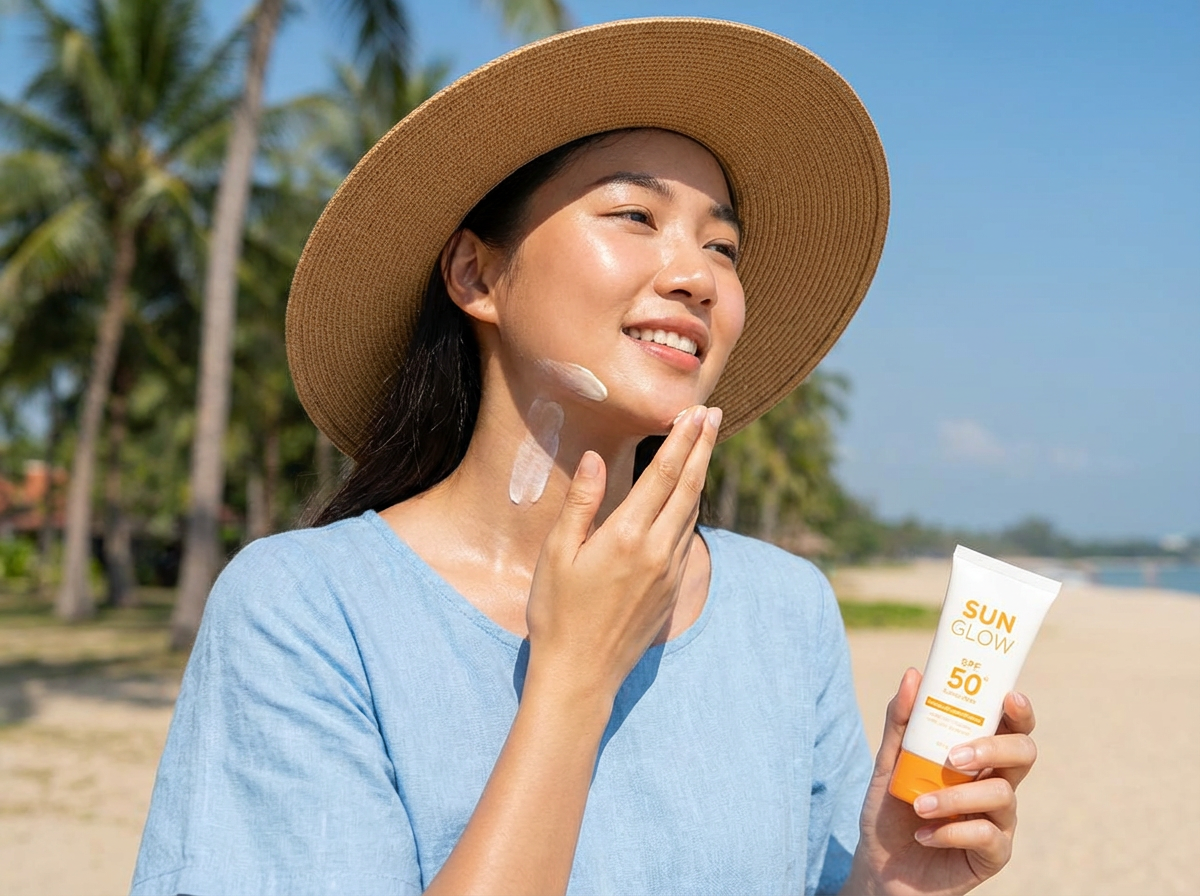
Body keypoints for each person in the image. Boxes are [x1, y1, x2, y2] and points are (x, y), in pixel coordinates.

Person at [132, 18, 1038, 896]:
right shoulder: (307, 611)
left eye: (722, 246)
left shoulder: (785, 611)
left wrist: (888, 881)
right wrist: (573, 678)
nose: (698, 276)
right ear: (476, 277)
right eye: (635, 213)